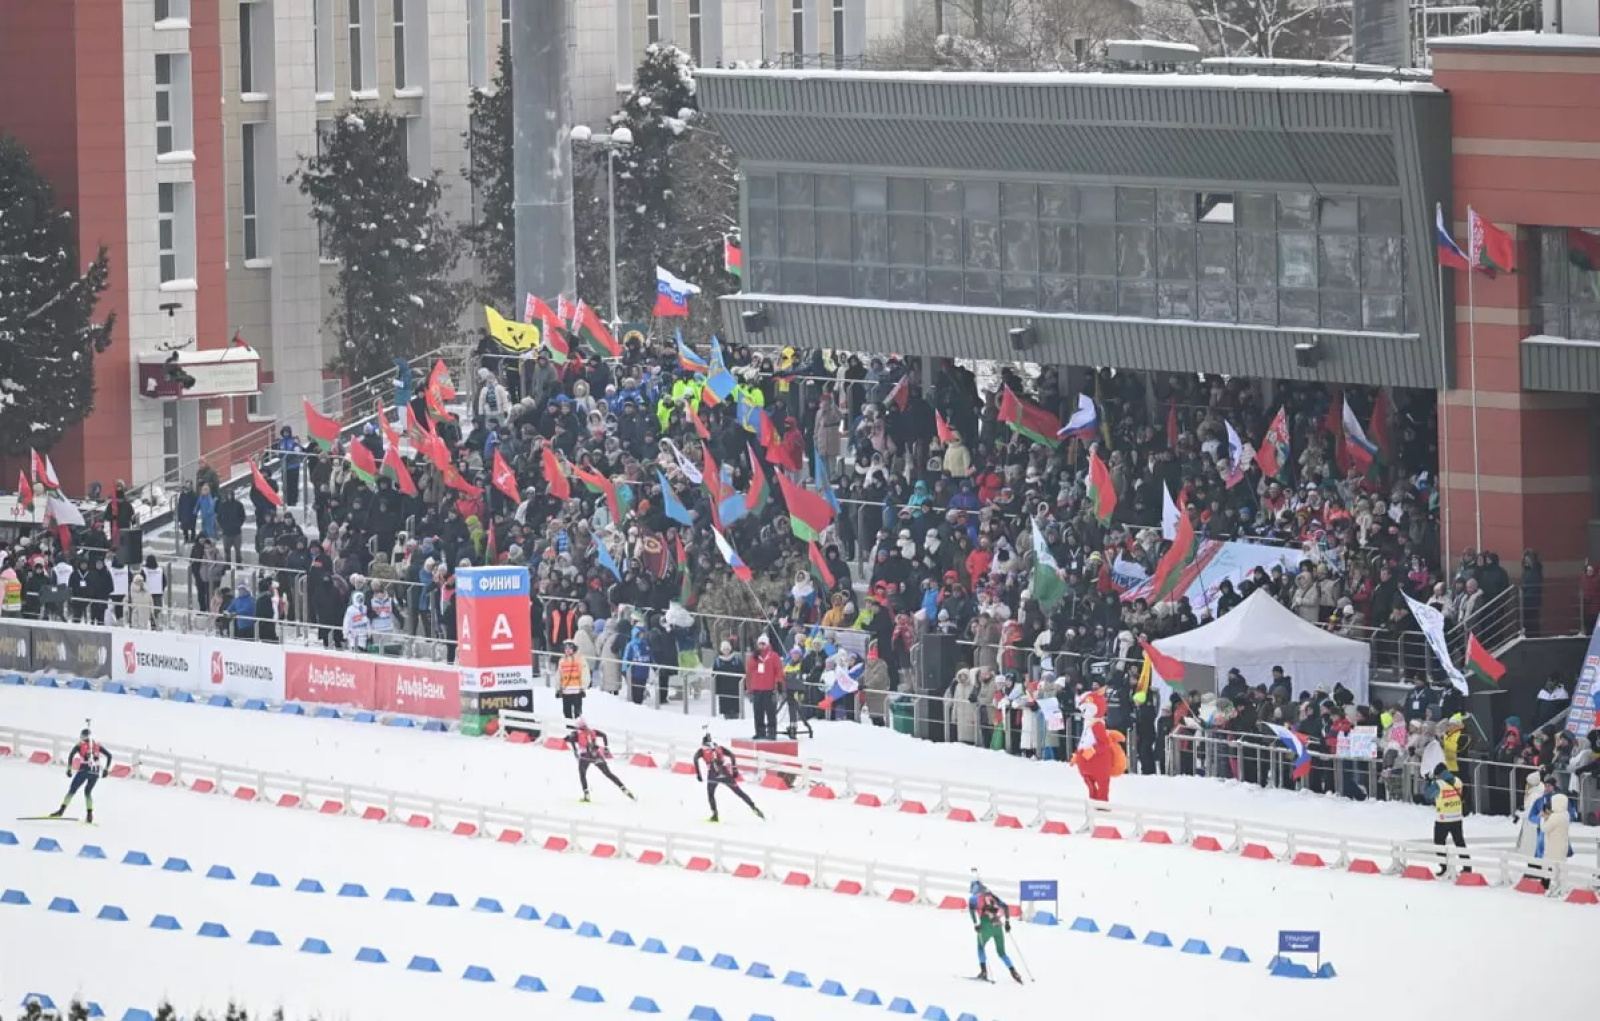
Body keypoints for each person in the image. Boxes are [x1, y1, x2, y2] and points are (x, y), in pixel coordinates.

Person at [693, 733, 764, 824]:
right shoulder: (719, 747)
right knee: (739, 792)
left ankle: (715, 815)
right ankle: (754, 808)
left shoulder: (702, 750)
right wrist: (734, 770)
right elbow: (732, 755)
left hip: (713, 775)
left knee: (710, 794)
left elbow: (695, 758)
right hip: (725, 773)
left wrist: (698, 774)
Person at [49, 728, 112, 823]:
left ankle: (61, 810)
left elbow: (71, 755)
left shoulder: (80, 745)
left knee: (72, 790)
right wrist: (106, 769)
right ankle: (89, 815)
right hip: (95, 772)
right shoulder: (97, 745)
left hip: (84, 770)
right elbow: (109, 755)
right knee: (88, 792)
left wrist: (69, 768)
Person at [967, 878, 1023, 984]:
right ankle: (1014, 972)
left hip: (985, 925)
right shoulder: (992, 896)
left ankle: (984, 971)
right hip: (998, 925)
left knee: (980, 947)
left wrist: (976, 924)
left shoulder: (974, 898)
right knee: (1002, 952)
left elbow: (971, 911)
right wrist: (1007, 922)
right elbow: (1005, 907)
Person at [570, 718, 634, 804]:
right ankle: (624, 789)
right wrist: (606, 747)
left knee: (582, 775)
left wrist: (575, 750)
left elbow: (571, 739)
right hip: (596, 756)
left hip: (585, 757)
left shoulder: (577, 734)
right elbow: (604, 735)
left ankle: (586, 794)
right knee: (608, 774)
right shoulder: (593, 731)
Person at [1424, 763, 1469, 876]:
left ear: (1438, 774)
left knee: (1439, 843)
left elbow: (1428, 795)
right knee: (1460, 842)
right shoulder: (1458, 781)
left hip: (1443, 819)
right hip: (1457, 818)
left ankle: (1444, 867)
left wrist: (1428, 781)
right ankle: (1467, 867)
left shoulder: (1438, 784)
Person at [745, 634, 783, 741]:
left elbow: (779, 670)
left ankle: (771, 732)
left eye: (763, 644)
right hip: (757, 688)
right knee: (758, 712)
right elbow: (749, 671)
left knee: (770, 712)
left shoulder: (773, 656)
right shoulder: (754, 656)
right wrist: (748, 688)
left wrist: (779, 683)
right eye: (760, 644)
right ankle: (760, 732)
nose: (761, 646)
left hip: (769, 688)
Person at [557, 640, 589, 719]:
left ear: (574, 649)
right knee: (566, 713)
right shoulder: (562, 661)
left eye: (570, 648)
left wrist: (583, 687)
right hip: (566, 691)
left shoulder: (580, 660)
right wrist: (558, 688)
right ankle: (569, 728)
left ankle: (577, 729)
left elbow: (585, 674)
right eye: (566, 648)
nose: (567, 650)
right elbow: (559, 675)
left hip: (577, 691)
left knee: (577, 713)